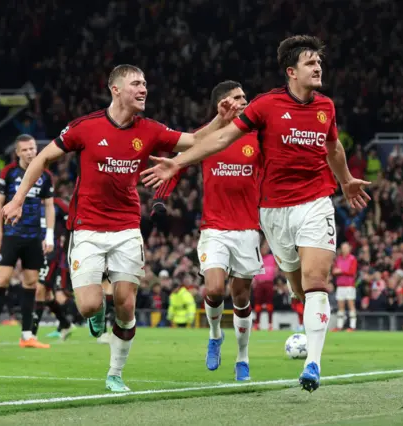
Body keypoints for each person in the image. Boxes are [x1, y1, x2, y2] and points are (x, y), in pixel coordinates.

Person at [141, 35, 370, 392]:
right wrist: (177, 163)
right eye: (311, 63)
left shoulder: (326, 106)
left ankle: (313, 363)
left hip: (315, 202)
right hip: (274, 212)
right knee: (297, 287)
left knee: (315, 283)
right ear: (292, 72)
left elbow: (333, 146)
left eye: (319, 63)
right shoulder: (266, 106)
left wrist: (345, 182)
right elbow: (217, 139)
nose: (318, 68)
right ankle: (244, 328)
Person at [1, 64, 239, 392]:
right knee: (88, 305)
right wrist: (17, 199)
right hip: (87, 227)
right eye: (136, 84)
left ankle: (115, 373)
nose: (143, 89)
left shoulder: (150, 130)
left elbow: (195, 141)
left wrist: (221, 119)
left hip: (126, 227)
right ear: (116, 89)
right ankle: (96, 314)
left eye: (145, 84)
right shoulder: (86, 127)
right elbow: (43, 158)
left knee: (126, 303)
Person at [152, 80, 262, 381]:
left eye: (244, 97)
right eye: (237, 98)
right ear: (221, 104)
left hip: (248, 229)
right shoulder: (207, 137)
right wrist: (160, 199)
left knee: (240, 297)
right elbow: (178, 164)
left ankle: (242, 356)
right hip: (214, 227)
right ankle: (215, 336)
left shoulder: (256, 135)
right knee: (214, 288)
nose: (243, 101)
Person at [0, 134, 54, 349]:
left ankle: (27, 335)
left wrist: (49, 235)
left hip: (33, 237)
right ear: (18, 153)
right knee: (1, 280)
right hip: (11, 235)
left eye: (33, 148)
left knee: (30, 283)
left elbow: (49, 207)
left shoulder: (45, 175)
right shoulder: (9, 173)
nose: (31, 152)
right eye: (26, 149)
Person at [32, 198, 73, 340]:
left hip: (52, 253)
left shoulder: (57, 204)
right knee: (48, 295)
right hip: (36, 252)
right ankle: (65, 323)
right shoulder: (32, 203)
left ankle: (31, 333)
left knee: (40, 289)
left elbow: (71, 221)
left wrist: (65, 242)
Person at [332, 241, 358, 331]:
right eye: (343, 248)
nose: (344, 250)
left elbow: (352, 272)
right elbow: (334, 270)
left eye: (346, 248)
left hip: (349, 285)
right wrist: (336, 271)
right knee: (340, 307)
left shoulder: (352, 259)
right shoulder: (338, 259)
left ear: (349, 249)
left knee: (351, 305)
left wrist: (341, 271)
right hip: (340, 285)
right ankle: (339, 326)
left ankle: (353, 326)